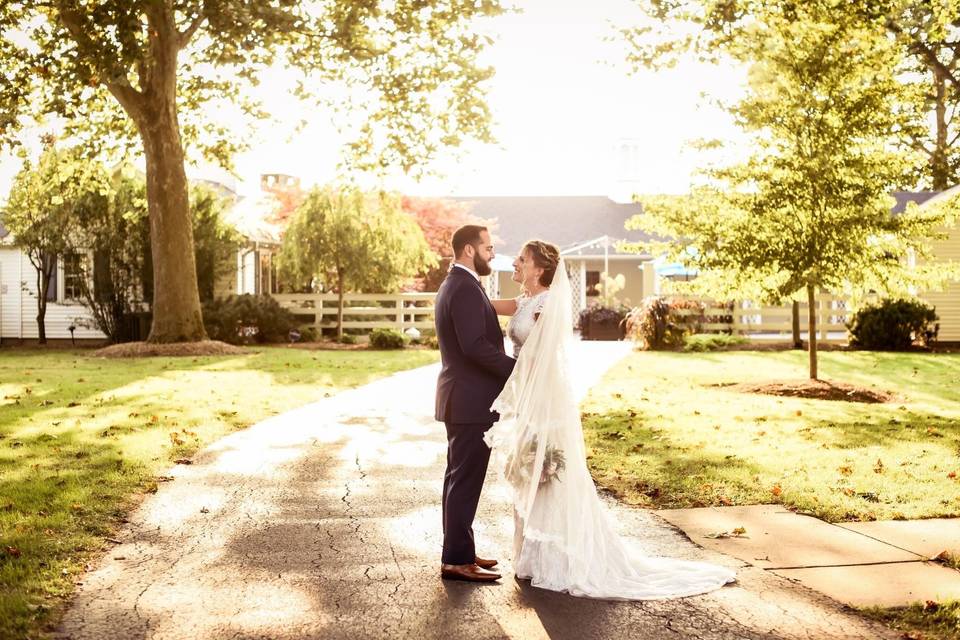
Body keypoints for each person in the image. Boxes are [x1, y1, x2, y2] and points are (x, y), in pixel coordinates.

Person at [486, 239, 737, 599]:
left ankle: (556, 555)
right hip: (528, 396)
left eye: (521, 261)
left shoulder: (545, 305)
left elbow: (539, 357)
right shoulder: (526, 301)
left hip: (543, 397)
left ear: (539, 269)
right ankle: (531, 553)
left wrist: (517, 388)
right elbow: (485, 304)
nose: (515, 265)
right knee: (530, 469)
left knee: (549, 471)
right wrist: (457, 284)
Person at [434, 225, 516, 582]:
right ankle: (455, 560)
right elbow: (474, 345)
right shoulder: (464, 287)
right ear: (469, 250)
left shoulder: (460, 283)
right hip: (469, 401)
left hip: (463, 400)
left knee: (459, 478)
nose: (493, 253)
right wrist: (519, 370)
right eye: (488, 247)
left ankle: (460, 551)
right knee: (464, 479)